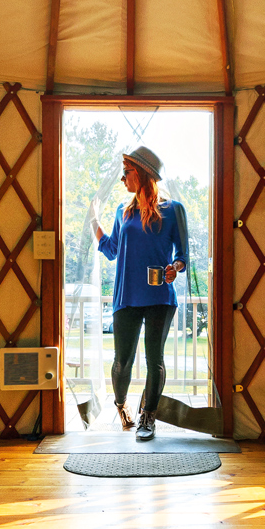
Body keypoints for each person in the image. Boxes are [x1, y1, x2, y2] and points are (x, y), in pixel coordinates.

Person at [90, 146, 188, 441]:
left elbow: (183, 255)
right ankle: (121, 405)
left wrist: (175, 267)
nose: (122, 179)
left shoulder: (174, 211)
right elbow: (113, 250)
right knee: (123, 361)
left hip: (160, 296)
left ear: (143, 175)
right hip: (127, 295)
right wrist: (94, 223)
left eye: (127, 172)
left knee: (154, 358)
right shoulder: (123, 211)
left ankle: (149, 416)